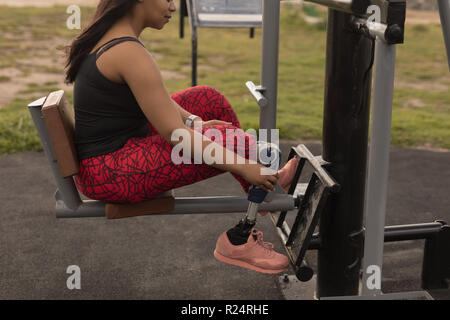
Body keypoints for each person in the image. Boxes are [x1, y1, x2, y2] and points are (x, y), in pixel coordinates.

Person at [64, 0, 298, 274]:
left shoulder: (114, 37)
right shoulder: (127, 50)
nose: (174, 7)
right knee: (237, 144)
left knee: (208, 100)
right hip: (111, 174)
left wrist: (196, 122)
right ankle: (239, 238)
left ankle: (259, 195)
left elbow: (159, 102)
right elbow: (176, 135)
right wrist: (246, 165)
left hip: (111, 158)